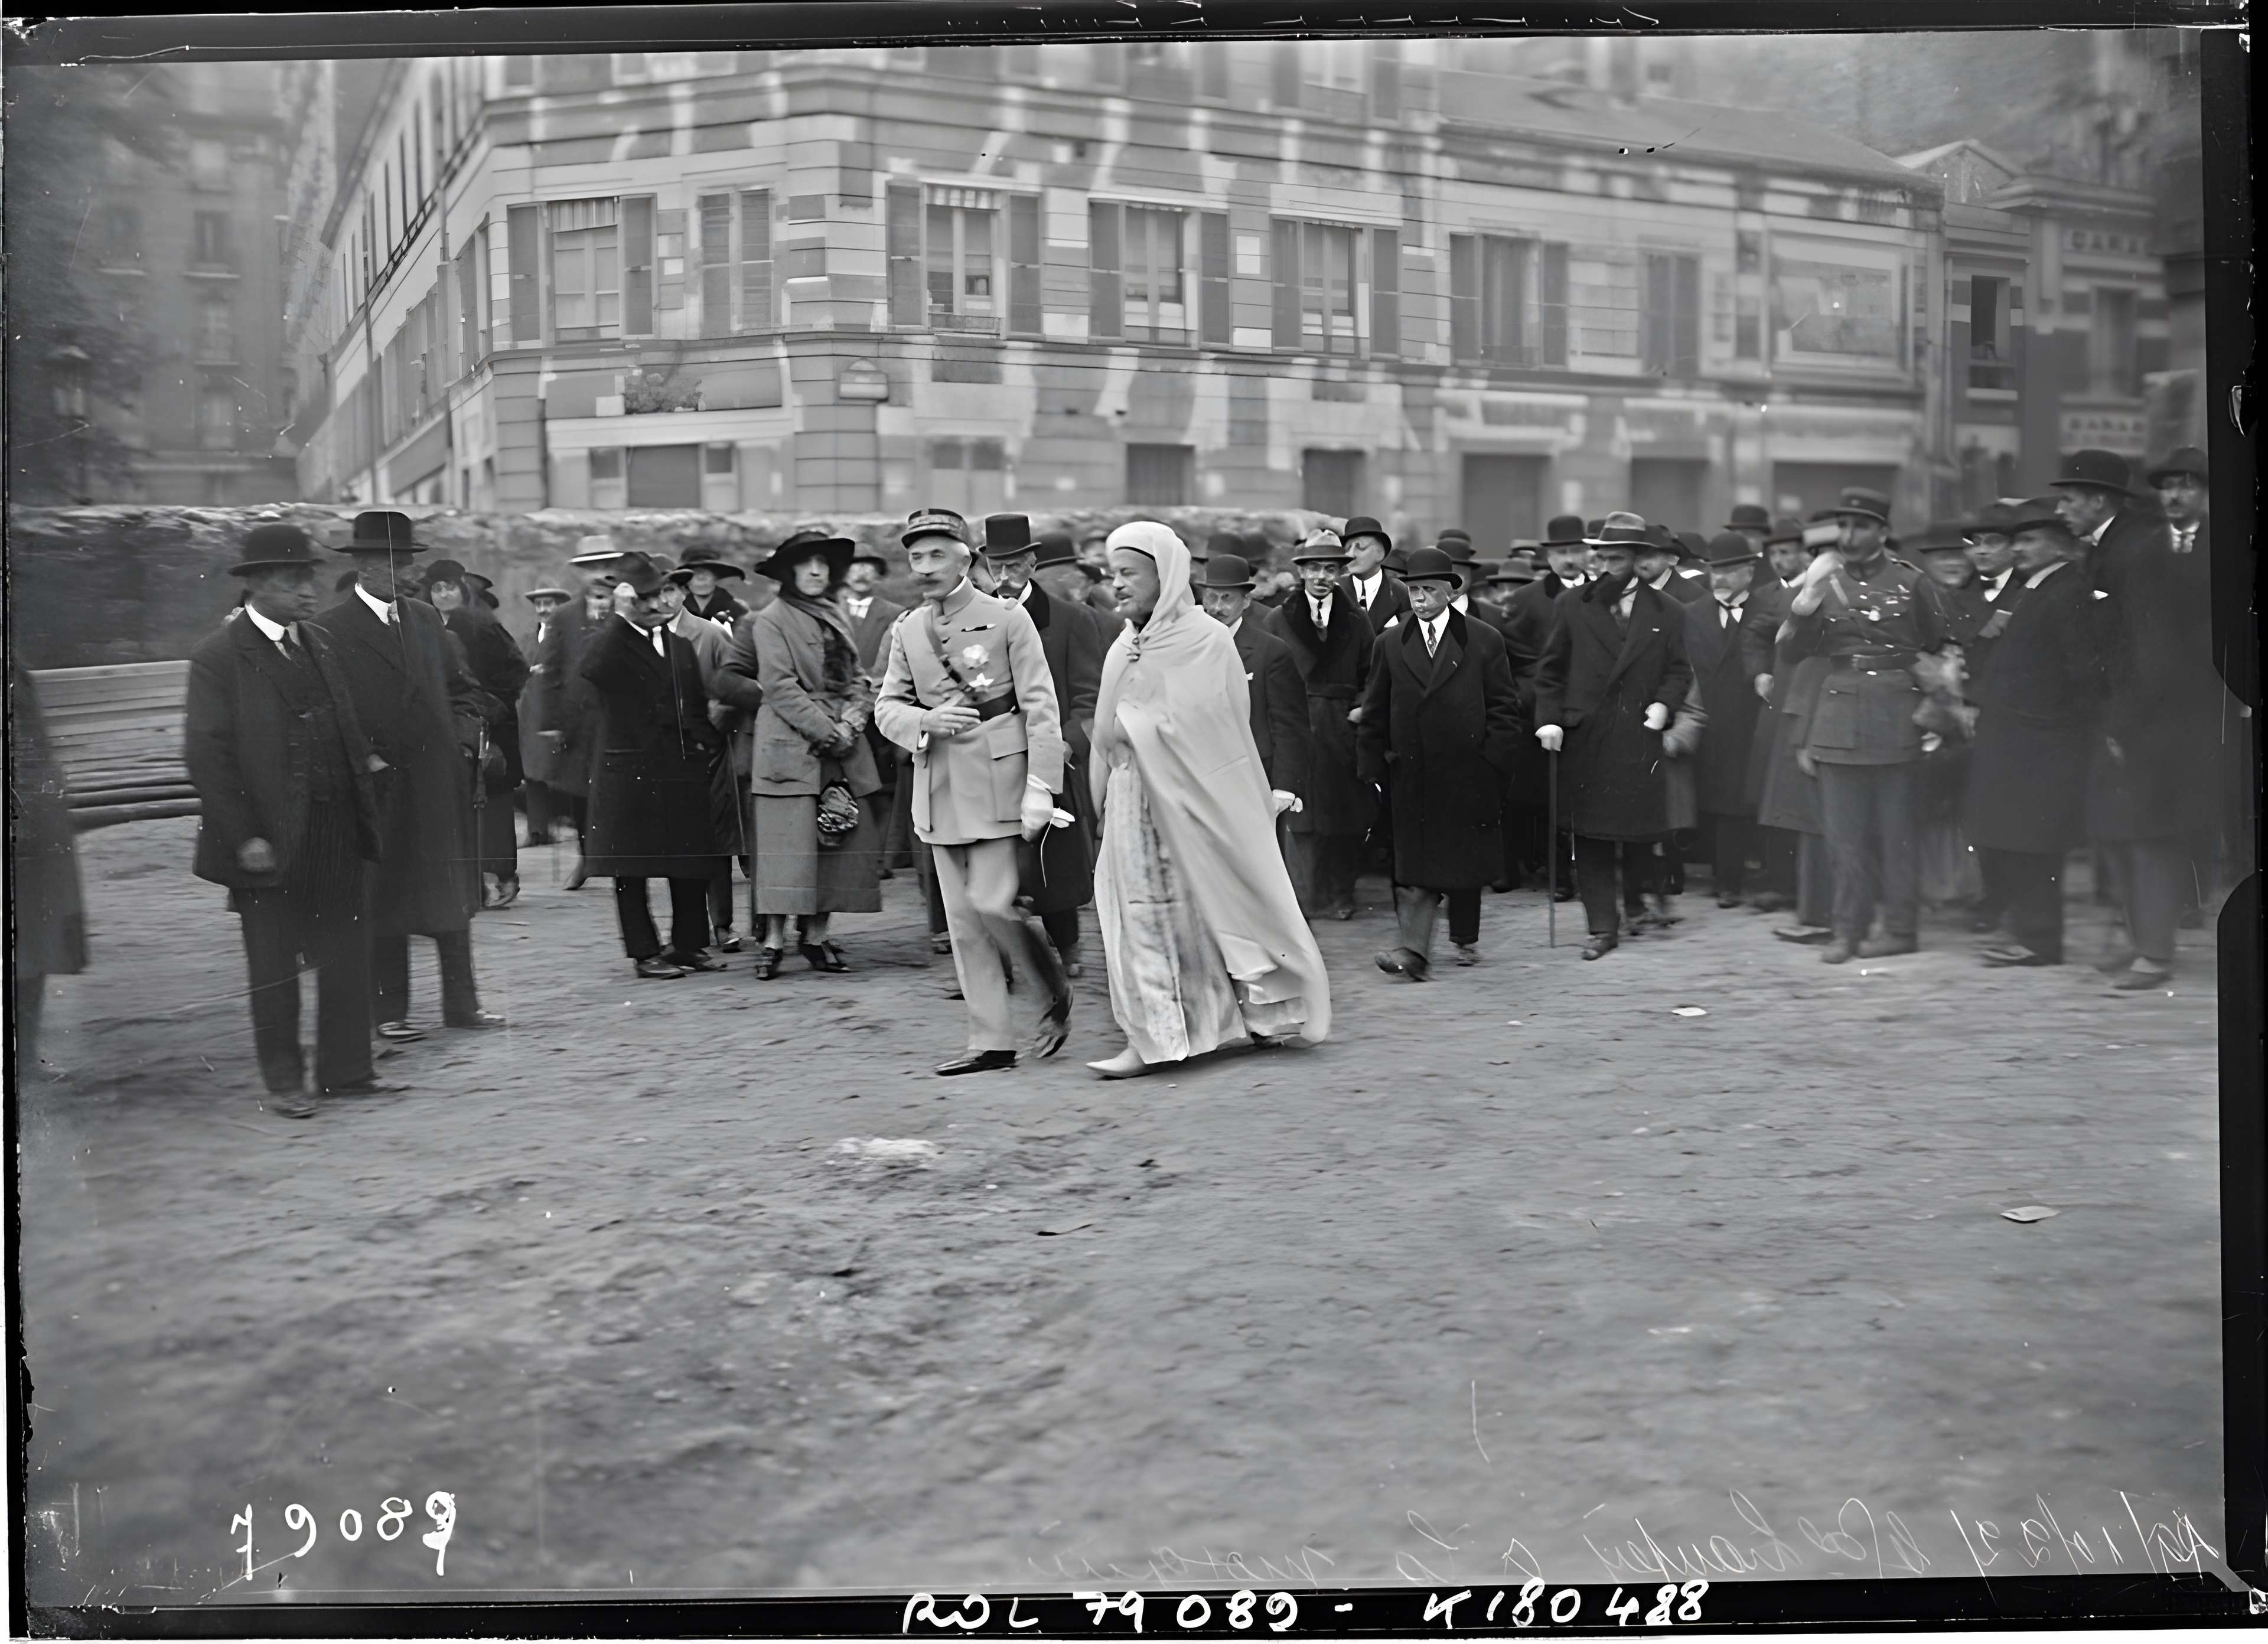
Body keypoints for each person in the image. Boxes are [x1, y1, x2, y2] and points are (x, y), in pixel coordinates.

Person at [1086, 522, 1331, 1077]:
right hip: (1135, 799)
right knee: (1139, 914)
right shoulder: (1125, 644)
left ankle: (1253, 1019)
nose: (1116, 584)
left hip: (1196, 798)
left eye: (1129, 573)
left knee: (1216, 906)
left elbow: (1220, 723)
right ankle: (1156, 1037)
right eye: (1112, 574)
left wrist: (1138, 726)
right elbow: (1106, 729)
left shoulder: (1206, 640)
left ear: (1165, 576)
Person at [186, 526, 396, 1115]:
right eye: (293, 581)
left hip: (334, 831)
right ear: (255, 586)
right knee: (274, 968)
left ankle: (348, 1072)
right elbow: (208, 756)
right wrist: (245, 834)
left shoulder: (318, 643)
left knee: (346, 955)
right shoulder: (219, 657)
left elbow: (346, 726)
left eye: (311, 578)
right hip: (268, 842)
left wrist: (367, 776)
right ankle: (284, 1081)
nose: (310, 590)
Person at [875, 508, 1071, 1075]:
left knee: (990, 903)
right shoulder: (907, 630)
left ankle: (1051, 985)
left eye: (938, 555)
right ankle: (992, 1041)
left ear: (966, 560)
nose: (926, 567)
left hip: (997, 782)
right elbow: (886, 706)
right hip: (937, 789)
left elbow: (1040, 706)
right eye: (916, 556)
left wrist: (1042, 785)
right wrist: (922, 723)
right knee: (963, 923)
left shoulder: (1007, 619)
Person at [305, 511, 507, 1039]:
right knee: (386, 897)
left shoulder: (424, 620)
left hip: (439, 782)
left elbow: (465, 691)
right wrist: (365, 760)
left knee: (451, 896)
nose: (409, 573)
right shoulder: (329, 629)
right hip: (379, 786)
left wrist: (464, 742)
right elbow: (328, 711)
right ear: (366, 566)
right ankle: (390, 1013)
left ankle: (463, 1006)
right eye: (396, 563)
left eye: (409, 562)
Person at [2058, 450, 2213, 991]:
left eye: (2070, 499)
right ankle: (2137, 939)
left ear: (2099, 501)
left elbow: (2152, 649)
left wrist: (2124, 723)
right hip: (2122, 713)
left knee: (2148, 836)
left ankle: (2154, 952)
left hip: (2147, 717)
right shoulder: (2112, 547)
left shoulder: (2138, 551)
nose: (2062, 509)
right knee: (2119, 833)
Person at [1783, 487, 1951, 964]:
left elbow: (1940, 645)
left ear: (1882, 531)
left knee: (1898, 833)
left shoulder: (1912, 582)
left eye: (1861, 526)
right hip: (1837, 718)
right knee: (1843, 839)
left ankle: (1900, 928)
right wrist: (1808, 596)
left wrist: (1939, 712)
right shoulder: (1822, 581)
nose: (1851, 536)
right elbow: (1793, 652)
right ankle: (1847, 930)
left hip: (1898, 716)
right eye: (1845, 526)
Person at [1532, 514, 1693, 961]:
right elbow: (1550, 671)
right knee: (1591, 836)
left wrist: (1665, 704)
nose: (1606, 566)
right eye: (1601, 557)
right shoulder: (1572, 605)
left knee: (1638, 831)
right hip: (1588, 737)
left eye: (1617, 558)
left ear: (1640, 561)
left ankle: (1638, 903)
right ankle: (1602, 928)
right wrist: (1549, 720)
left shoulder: (1668, 612)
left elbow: (1679, 669)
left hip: (1640, 736)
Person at [1356, 545, 1522, 977]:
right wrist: (1373, 768)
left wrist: (1491, 763)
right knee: (1414, 869)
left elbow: (1505, 707)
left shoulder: (1484, 640)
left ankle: (1464, 937)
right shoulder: (1390, 643)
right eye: (1414, 591)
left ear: (1451, 591)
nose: (1421, 599)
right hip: (1411, 774)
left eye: (1429, 590)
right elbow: (1375, 710)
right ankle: (1414, 952)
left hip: (1469, 773)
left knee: (1464, 866)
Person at [1960, 500, 2103, 970]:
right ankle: (2029, 933)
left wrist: (2059, 727)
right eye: (2015, 540)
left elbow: (2081, 670)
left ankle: (2040, 941)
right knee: (2019, 840)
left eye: (2029, 539)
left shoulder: (2066, 591)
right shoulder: (2035, 589)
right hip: (2019, 738)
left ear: (2060, 543)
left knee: (2036, 844)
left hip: (2042, 741)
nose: (2018, 549)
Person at [578, 553, 730, 979]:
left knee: (690, 862)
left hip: (680, 768)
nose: (653, 606)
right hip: (630, 772)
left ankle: (688, 944)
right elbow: (590, 670)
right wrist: (620, 617)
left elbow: (696, 708)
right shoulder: (611, 640)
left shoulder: (680, 646)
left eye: (658, 596)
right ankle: (644, 952)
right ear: (628, 602)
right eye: (641, 599)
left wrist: (707, 747)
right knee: (632, 868)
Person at [744, 530, 887, 978]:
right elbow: (780, 687)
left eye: (823, 564)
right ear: (788, 571)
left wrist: (855, 718)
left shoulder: (835, 615)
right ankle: (771, 943)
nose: (816, 572)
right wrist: (831, 731)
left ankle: (817, 937)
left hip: (840, 743)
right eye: (806, 564)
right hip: (792, 746)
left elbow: (857, 679)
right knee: (786, 848)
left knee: (836, 843)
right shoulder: (771, 619)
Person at [982, 514, 1104, 978]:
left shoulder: (1073, 620)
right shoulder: (974, 617)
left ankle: (1067, 946)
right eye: (996, 566)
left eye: (1015, 565)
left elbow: (1088, 701)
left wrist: (1062, 749)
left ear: (1032, 563)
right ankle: (1000, 959)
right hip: (990, 760)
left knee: (1052, 861)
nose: (1006, 577)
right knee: (994, 859)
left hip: (1049, 757)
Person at [2148, 444, 2247, 898]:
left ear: (2205, 493)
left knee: (2214, 787)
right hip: (2160, 691)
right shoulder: (2148, 548)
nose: (2174, 496)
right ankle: (2185, 892)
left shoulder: (2229, 541)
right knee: (2168, 787)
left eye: (2186, 487)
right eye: (2168, 488)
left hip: (2215, 689)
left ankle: (2214, 878)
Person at [1262, 529, 1376, 921]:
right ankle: (1303, 898)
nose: (1323, 577)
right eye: (1314, 569)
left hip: (1341, 727)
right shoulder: (1278, 619)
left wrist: (1359, 710)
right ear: (1302, 573)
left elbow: (1371, 674)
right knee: (1301, 816)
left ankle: (1341, 894)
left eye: (1331, 569)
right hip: (1296, 724)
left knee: (1343, 818)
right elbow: (1269, 675)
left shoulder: (1356, 620)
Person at [425, 559, 530, 910]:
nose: (444, 595)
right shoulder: (425, 625)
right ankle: (471, 881)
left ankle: (503, 875)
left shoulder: (481, 624)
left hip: (491, 726)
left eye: (450, 587)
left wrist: (489, 702)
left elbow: (517, 668)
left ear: (463, 589)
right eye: (437, 588)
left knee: (496, 798)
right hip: (451, 724)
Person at [660, 560, 748, 952]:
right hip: (663, 754)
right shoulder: (644, 639)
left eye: (671, 591)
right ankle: (685, 932)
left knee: (720, 840)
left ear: (683, 594)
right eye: (656, 593)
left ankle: (725, 925)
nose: (663, 599)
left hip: (710, 752)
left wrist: (715, 723)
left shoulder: (710, 634)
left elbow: (737, 686)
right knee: (677, 847)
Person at [1195, 551, 1310, 845]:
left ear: (1247, 601)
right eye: (1211, 598)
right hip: (1198, 776)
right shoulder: (1188, 647)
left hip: (1253, 777)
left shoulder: (1270, 651)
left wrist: (1283, 788)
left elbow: (1289, 725)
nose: (1216, 608)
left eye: (1227, 599)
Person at [10, 662, 88, 1076]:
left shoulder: (15, 670)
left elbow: (34, 748)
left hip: (32, 831)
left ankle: (23, 1056)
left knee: (31, 952)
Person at [536, 539, 627, 891]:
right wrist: (552, 723)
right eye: (590, 567)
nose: (598, 574)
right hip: (577, 722)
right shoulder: (564, 616)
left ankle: (617, 859)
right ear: (581, 573)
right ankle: (587, 858)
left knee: (618, 790)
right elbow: (551, 671)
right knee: (578, 794)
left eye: (604, 566)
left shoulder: (627, 610)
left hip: (619, 718)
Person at [1684, 531, 1767, 908]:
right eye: (1715, 570)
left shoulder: (1766, 610)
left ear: (1750, 570)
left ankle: (1760, 875)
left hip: (1756, 719)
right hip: (1711, 720)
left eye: (1731, 570)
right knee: (1719, 802)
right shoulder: (1692, 613)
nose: (1721, 578)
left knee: (1752, 799)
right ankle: (1725, 879)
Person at [1742, 516, 1816, 913]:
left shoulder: (1821, 587)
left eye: (1787, 552)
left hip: (1818, 695)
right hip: (1782, 701)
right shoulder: (1769, 596)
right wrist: (1760, 671)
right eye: (1774, 553)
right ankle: (1781, 880)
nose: (1780, 560)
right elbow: (1754, 634)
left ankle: (1807, 885)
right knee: (1776, 792)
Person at [518, 585, 573, 847]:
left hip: (562, 711)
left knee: (566, 771)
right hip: (532, 712)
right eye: (539, 605)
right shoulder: (528, 638)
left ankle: (574, 828)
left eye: (549, 604)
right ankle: (538, 830)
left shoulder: (572, 638)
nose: (543, 610)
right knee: (533, 773)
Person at [1340, 516, 1412, 635]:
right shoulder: (1336, 589)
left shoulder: (1400, 592)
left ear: (1380, 553)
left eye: (1360, 547)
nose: (1351, 554)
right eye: (1348, 549)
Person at [1637, 524, 1710, 606]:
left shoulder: (1693, 596)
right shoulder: (1629, 592)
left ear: (1672, 559)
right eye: (1635, 557)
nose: (1641, 563)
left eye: (1650, 556)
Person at [676, 556, 750, 628]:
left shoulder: (736, 609)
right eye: (695, 574)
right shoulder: (676, 608)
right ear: (687, 581)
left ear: (716, 578)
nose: (701, 577)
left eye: (707, 573)